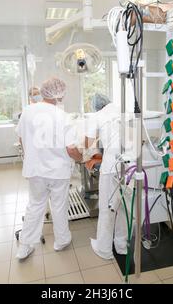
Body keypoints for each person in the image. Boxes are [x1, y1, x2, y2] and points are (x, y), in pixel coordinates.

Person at [15, 77, 82, 260]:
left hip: (35, 169)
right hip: (58, 171)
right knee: (59, 206)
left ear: (44, 92)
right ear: (60, 94)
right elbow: (71, 149)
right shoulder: (63, 116)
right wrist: (81, 158)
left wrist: (33, 156)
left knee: (35, 205)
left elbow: (21, 138)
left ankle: (24, 247)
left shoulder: (27, 112)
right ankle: (61, 241)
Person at [85, 93, 128, 260]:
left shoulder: (97, 115)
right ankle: (121, 245)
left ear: (96, 106)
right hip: (128, 165)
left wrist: (90, 154)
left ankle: (104, 249)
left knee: (106, 207)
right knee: (123, 206)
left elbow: (88, 143)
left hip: (110, 166)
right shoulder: (122, 109)